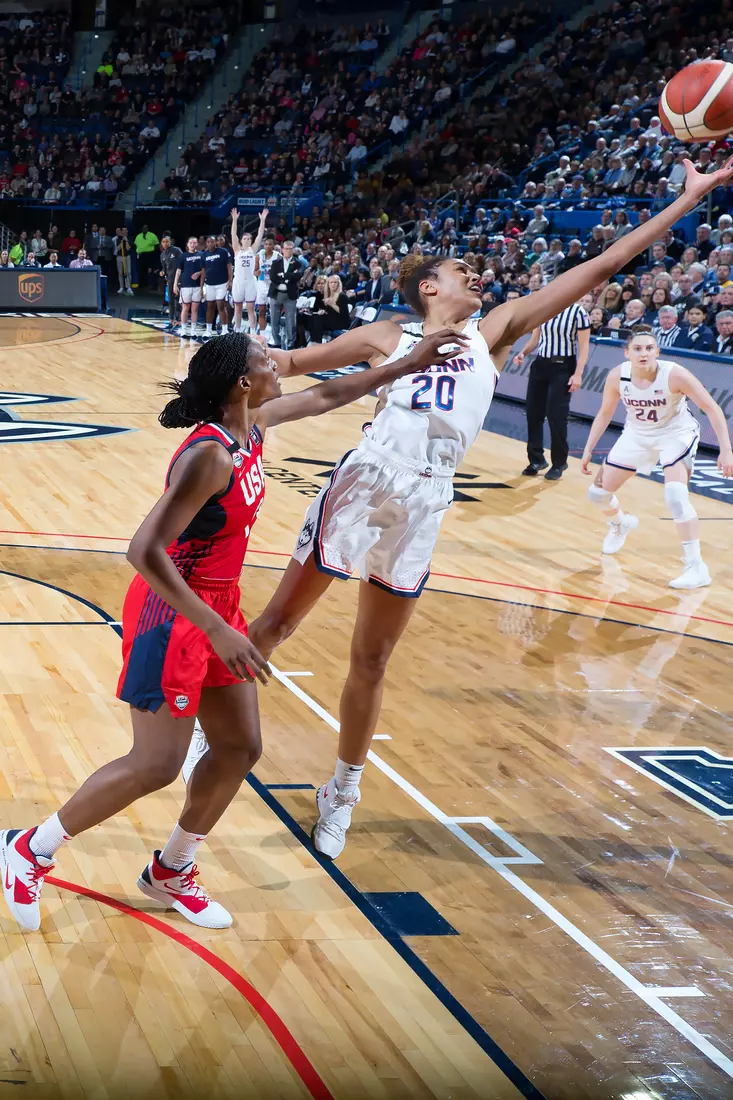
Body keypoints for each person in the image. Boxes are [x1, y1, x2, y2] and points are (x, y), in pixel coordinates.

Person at [184, 156, 733, 860]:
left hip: (427, 496)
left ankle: (342, 789)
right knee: (278, 622)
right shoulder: (390, 335)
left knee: (373, 656)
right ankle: (209, 721)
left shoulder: (495, 330)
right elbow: (293, 365)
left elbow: (602, 266)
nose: (478, 276)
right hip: (366, 478)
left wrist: (686, 199)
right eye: (461, 270)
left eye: (479, 270)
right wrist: (223, 370)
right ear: (427, 287)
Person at [0, 329, 463, 933]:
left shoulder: (255, 425)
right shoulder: (211, 455)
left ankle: (172, 868)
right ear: (244, 382)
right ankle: (29, 849)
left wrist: (408, 363)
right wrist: (217, 629)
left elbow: (329, 396)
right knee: (156, 763)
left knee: (241, 747)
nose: (279, 364)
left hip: (218, 609)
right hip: (175, 613)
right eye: (266, 361)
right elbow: (144, 550)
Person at [581, 323, 733, 588]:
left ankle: (696, 567)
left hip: (675, 434)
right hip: (637, 435)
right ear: (626, 353)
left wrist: (726, 450)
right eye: (637, 348)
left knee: (676, 496)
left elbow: (712, 408)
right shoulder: (618, 376)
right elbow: (605, 413)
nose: (644, 353)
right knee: (596, 495)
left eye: (649, 348)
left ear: (657, 351)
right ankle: (620, 523)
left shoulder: (676, 375)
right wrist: (588, 448)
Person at [514, 301, 591, 480]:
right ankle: (536, 459)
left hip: (563, 366)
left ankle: (559, 462)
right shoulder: (545, 308)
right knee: (533, 413)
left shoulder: (577, 312)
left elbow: (584, 346)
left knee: (556, 415)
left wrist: (578, 374)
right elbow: (536, 338)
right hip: (541, 364)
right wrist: (523, 353)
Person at [230, 207, 268, 335]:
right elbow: (233, 235)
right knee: (238, 307)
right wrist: (234, 220)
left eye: (249, 238)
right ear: (241, 241)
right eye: (245, 238)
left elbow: (260, 234)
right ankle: (238, 331)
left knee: (251, 308)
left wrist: (262, 220)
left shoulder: (253, 249)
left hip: (251, 282)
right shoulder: (237, 250)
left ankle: (252, 333)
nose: (247, 240)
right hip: (238, 282)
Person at [267, 240, 301, 350]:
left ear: (293, 250)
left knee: (291, 320)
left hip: (290, 295)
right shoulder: (275, 263)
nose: (288, 251)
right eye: (286, 248)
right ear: (282, 250)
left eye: (290, 249)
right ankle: (276, 341)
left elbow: (298, 276)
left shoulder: (298, 263)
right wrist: (288, 277)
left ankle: (291, 343)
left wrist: (283, 275)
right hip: (276, 294)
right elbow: (273, 277)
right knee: (274, 319)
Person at [202, 236, 233, 339]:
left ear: (215, 242)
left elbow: (229, 267)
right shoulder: (204, 254)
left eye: (212, 241)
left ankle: (225, 329)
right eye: (208, 242)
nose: (210, 243)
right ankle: (208, 330)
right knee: (210, 306)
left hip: (222, 283)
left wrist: (230, 281)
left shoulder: (223, 252)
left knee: (221, 305)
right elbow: (203, 271)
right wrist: (202, 286)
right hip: (209, 284)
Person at [174, 236, 204, 337]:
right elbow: (178, 271)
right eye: (190, 243)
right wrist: (175, 284)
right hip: (185, 285)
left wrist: (199, 273)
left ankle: (193, 330)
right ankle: (183, 329)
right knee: (185, 307)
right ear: (187, 244)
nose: (192, 244)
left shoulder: (201, 255)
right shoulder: (183, 256)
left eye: (194, 243)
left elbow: (205, 269)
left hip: (197, 286)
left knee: (195, 309)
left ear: (197, 244)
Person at [254, 236, 279, 336]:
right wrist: (258, 272)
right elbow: (254, 272)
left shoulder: (278, 256)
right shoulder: (259, 255)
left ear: (273, 245)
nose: (268, 246)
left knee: (274, 311)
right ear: (263, 245)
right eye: (266, 244)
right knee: (261, 310)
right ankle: (263, 335)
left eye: (270, 244)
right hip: (262, 284)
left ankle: (274, 334)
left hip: (273, 284)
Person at [159, 235, 183, 323]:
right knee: (171, 300)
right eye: (163, 242)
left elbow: (182, 262)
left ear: (170, 242)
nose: (165, 243)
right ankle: (171, 319)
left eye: (167, 241)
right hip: (169, 279)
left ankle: (179, 319)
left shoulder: (176, 250)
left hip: (179, 279)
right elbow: (164, 268)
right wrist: (162, 272)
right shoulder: (162, 255)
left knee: (178, 300)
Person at [134, 224, 160, 289]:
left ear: (148, 229)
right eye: (143, 228)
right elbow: (135, 245)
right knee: (141, 269)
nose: (144, 229)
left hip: (150, 254)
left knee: (150, 270)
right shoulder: (138, 236)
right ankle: (142, 284)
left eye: (145, 228)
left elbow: (157, 245)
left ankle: (152, 285)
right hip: (141, 255)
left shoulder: (152, 235)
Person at [115, 228, 134, 295]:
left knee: (128, 272)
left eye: (125, 230)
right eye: (122, 230)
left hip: (127, 257)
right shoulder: (118, 239)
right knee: (120, 272)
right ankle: (121, 287)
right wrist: (122, 241)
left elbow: (128, 248)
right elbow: (118, 248)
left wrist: (126, 241)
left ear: (127, 231)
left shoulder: (130, 238)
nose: (124, 231)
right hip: (120, 256)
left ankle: (129, 287)